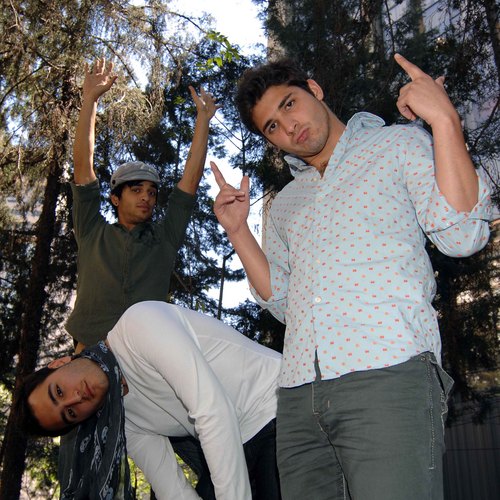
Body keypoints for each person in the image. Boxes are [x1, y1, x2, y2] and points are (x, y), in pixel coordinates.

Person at [211, 53, 493, 500]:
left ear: (314, 89)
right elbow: (283, 302)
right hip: (298, 398)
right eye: (272, 126)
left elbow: (462, 234)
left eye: (289, 104)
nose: (288, 127)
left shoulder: (398, 144)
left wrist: (444, 119)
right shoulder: (285, 204)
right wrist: (238, 231)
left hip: (387, 373)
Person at [61, 57, 219, 496]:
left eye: (151, 192)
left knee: (212, 447)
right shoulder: (92, 231)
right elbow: (83, 170)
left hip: (152, 370)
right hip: (88, 365)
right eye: (136, 190)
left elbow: (189, 182)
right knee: (81, 474)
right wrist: (90, 101)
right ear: (115, 198)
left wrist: (202, 122)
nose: (147, 197)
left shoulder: (163, 240)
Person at [19, 301, 282, 500]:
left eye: (59, 391)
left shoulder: (137, 325)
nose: (75, 399)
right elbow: (172, 490)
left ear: (59, 363)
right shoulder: (123, 421)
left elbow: (213, 412)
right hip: (239, 442)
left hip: (276, 404)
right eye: (70, 414)